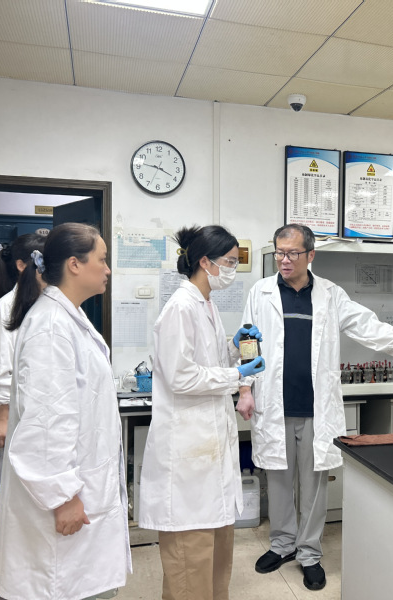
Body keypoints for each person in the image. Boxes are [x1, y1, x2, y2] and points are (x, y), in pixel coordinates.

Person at [235, 224, 393, 591]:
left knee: (314, 484)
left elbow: (365, 325)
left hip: (316, 407)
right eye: (280, 252)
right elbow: (248, 341)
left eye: (292, 253)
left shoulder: (330, 294)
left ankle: (309, 552)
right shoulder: (261, 292)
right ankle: (282, 544)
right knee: (279, 479)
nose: (284, 260)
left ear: (310, 255)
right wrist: (245, 387)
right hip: (274, 404)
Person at [0, 223, 131, 600]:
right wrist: (63, 496)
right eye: (102, 259)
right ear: (74, 264)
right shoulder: (51, 327)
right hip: (62, 504)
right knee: (62, 586)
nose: (107, 269)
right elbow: (46, 423)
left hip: (79, 492)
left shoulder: (68, 317)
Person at [139, 225, 265, 600]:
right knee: (189, 567)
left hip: (207, 455)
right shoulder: (180, 307)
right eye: (230, 261)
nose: (233, 269)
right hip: (187, 460)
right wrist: (237, 375)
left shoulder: (205, 304)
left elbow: (206, 360)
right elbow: (181, 376)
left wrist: (234, 347)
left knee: (215, 564)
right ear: (206, 262)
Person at [0, 233, 46, 486]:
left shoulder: (45, 304)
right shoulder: (7, 308)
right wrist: (1, 419)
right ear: (21, 265)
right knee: (5, 489)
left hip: (37, 421)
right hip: (12, 420)